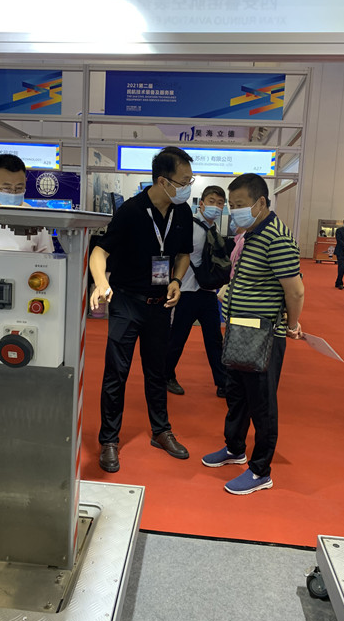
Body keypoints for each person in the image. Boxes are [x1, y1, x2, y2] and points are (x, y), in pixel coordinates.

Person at [89, 146, 194, 473]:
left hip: (159, 305)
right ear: (163, 181)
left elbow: (183, 254)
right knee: (116, 373)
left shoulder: (183, 212)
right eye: (184, 181)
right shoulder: (132, 211)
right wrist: (100, 283)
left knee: (157, 372)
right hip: (126, 302)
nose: (188, 187)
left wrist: (176, 280)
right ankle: (109, 440)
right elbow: (99, 252)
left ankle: (161, 431)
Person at [202, 173, 304, 495]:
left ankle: (261, 470)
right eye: (231, 206)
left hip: (264, 333)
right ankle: (235, 448)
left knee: (262, 402)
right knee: (237, 394)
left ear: (260, 202)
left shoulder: (276, 237)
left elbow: (295, 290)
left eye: (239, 205)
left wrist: (291, 324)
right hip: (240, 328)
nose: (234, 211)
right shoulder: (250, 234)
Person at [165, 185, 228, 399]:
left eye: (220, 203)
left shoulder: (214, 230)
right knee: (177, 338)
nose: (215, 207)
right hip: (186, 291)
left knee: (214, 339)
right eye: (211, 201)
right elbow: (175, 254)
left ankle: (222, 383)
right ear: (201, 204)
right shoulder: (188, 226)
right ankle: (166, 375)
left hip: (207, 292)